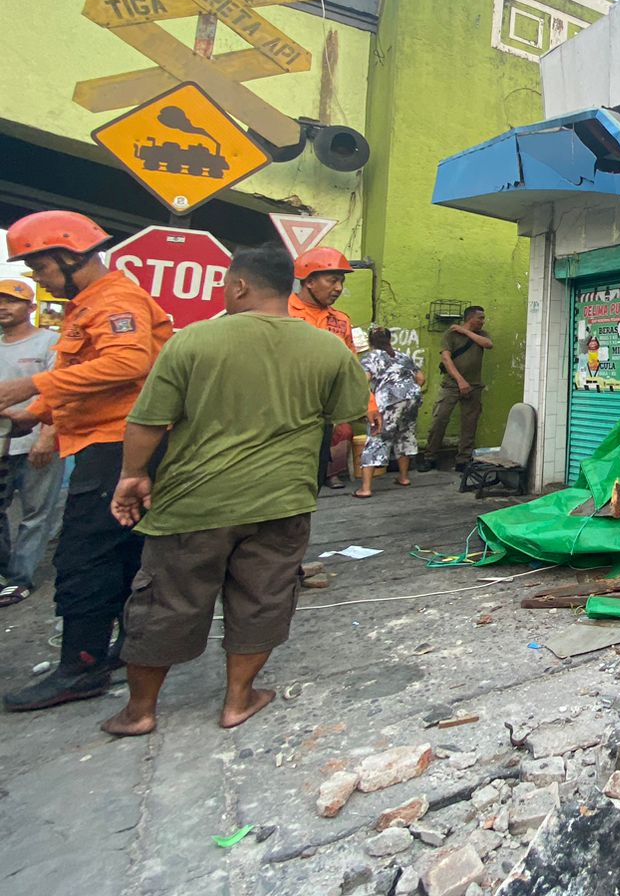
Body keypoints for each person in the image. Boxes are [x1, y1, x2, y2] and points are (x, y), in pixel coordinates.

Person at [98, 244, 370, 737]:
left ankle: (139, 711)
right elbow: (347, 422)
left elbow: (148, 420)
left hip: (194, 501)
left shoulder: (192, 341)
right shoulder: (328, 347)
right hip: (282, 500)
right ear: (291, 285)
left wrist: (132, 475)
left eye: (227, 283)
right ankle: (238, 700)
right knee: (263, 598)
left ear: (240, 285)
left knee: (167, 601)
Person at [0, 212, 172, 711]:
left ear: (72, 255)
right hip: (102, 444)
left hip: (118, 447)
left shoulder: (116, 301)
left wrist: (32, 386)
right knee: (121, 555)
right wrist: (34, 414)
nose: (38, 278)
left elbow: (128, 364)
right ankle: (119, 648)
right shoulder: (85, 306)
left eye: (41, 267)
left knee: (84, 559)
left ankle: (82, 666)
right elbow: (84, 374)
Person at [0, 279, 67, 607]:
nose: (3, 307)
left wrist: (46, 437)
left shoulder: (50, 343)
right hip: (2, 445)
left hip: (36, 444)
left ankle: (20, 578)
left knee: (35, 513)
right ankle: (3, 571)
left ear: (30, 308)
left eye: (12, 301)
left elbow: (60, 395)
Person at [287, 247, 358, 490]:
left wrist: (368, 405)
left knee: (310, 488)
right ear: (309, 281)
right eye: (332, 280)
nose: (338, 288)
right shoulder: (281, 312)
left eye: (341, 281)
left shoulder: (341, 321)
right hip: (286, 417)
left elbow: (352, 367)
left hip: (322, 417)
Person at [419, 306, 492, 472]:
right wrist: (460, 381)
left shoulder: (481, 335)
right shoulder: (450, 335)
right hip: (451, 385)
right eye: (480, 318)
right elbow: (446, 359)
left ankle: (463, 459)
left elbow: (488, 345)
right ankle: (430, 456)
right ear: (470, 318)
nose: (483, 321)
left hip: (474, 385)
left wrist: (466, 332)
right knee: (440, 419)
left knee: (469, 423)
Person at [356, 327, 424, 497]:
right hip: (412, 398)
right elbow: (421, 379)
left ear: (371, 342)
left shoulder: (371, 357)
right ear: (389, 339)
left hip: (389, 401)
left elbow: (362, 381)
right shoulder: (402, 356)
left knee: (377, 437)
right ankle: (403, 477)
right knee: (405, 434)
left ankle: (365, 488)